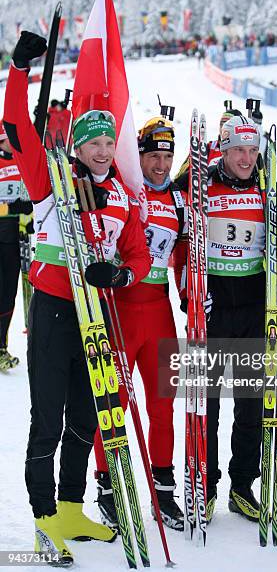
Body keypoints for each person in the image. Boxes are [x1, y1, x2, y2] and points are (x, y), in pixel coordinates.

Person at [3, 31, 151, 565]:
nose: (103, 151)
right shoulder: (51, 180)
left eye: (109, 143)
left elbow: (139, 257)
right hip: (52, 309)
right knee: (48, 415)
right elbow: (17, 128)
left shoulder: (122, 198)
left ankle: (70, 504)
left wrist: (121, 278)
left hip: (99, 317)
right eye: (94, 143)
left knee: (89, 416)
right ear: (77, 146)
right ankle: (43, 513)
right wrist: (19, 71)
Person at [202, 115, 277, 522]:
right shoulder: (201, 186)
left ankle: (242, 485)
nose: (245, 158)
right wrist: (190, 297)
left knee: (250, 405)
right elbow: (180, 249)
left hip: (253, 311)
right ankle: (203, 485)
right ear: (223, 151)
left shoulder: (269, 189)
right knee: (205, 406)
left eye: (252, 150)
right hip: (211, 314)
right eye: (237, 150)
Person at [93, 115, 187, 532]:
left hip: (159, 310)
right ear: (139, 156)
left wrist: (191, 294)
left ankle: (162, 488)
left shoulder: (180, 202)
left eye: (167, 157)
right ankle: (109, 484)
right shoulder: (126, 192)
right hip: (120, 307)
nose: (161, 165)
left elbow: (184, 255)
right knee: (110, 403)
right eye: (152, 156)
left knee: (162, 406)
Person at [0, 118, 33, 371]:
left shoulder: (24, 161)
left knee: (7, 295)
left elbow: (32, 199)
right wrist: (12, 208)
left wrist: (29, 216)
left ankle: (1, 346)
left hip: (15, 240)